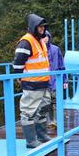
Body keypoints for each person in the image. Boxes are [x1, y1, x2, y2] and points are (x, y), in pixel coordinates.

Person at [12, 13, 52, 148]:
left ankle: (42, 136)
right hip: (31, 83)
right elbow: (18, 61)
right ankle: (31, 141)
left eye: (43, 27)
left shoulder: (40, 40)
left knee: (43, 108)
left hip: (43, 82)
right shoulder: (26, 41)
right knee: (28, 111)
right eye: (40, 27)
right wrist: (18, 76)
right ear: (34, 27)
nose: (42, 30)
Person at [44, 30, 67, 127]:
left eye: (46, 37)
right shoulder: (39, 51)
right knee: (47, 102)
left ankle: (58, 121)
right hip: (44, 80)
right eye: (42, 37)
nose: (44, 39)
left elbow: (62, 65)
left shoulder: (56, 49)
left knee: (56, 102)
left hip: (56, 80)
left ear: (49, 38)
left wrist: (65, 80)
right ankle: (51, 121)